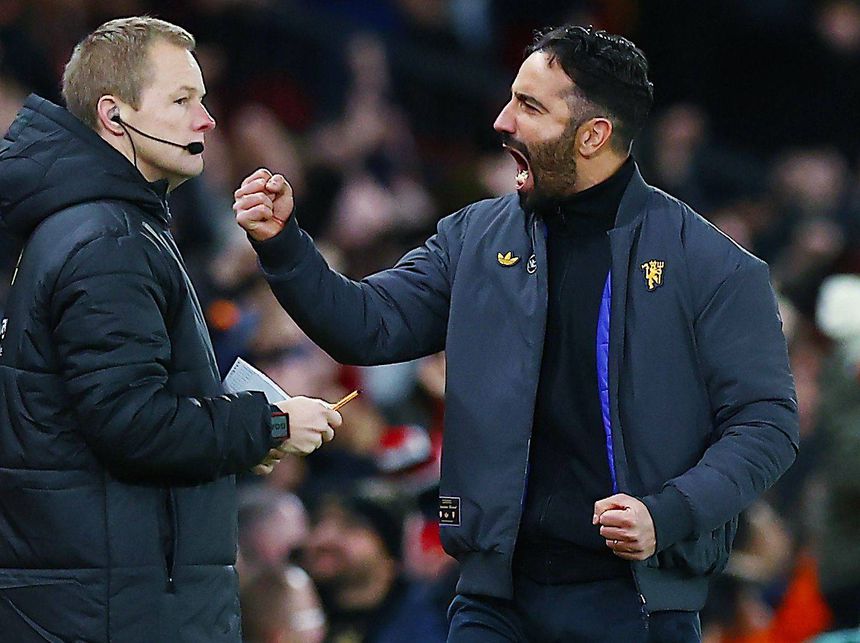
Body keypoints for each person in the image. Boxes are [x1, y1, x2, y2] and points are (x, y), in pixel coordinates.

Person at [234, 25, 799, 642]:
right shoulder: (473, 238)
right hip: (493, 601)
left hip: (636, 605)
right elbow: (368, 325)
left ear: (593, 135)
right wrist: (285, 246)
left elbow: (766, 423)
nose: (502, 121)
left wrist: (668, 514)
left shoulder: (713, 267)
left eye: (530, 106)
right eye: (511, 97)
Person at [0, 16, 341, 643]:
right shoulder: (107, 238)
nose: (207, 119)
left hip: (96, 593)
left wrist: (243, 434)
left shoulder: (88, 223)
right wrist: (269, 423)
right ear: (113, 115)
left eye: (204, 99)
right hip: (115, 607)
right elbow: (131, 424)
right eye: (183, 100)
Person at [302, 490, 448, 642]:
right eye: (316, 523)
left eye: (350, 526)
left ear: (391, 555)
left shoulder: (435, 620)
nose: (322, 538)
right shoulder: (294, 613)